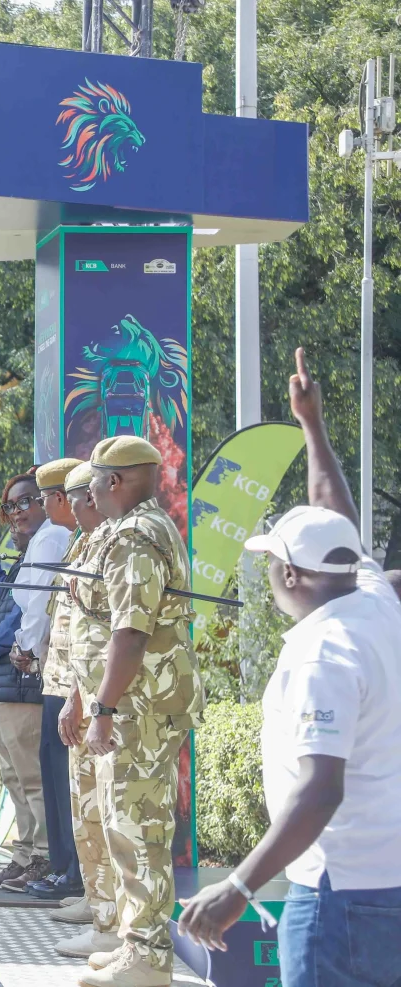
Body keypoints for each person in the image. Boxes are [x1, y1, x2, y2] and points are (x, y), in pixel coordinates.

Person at [178, 349, 401, 986]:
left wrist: (239, 888)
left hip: (337, 895)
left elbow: (319, 789)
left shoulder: (322, 650)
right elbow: (338, 519)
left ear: (291, 575)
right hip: (385, 882)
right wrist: (311, 425)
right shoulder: (372, 597)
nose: (268, 571)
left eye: (272, 560)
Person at [62, 435, 203, 987]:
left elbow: (130, 631)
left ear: (113, 482)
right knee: (125, 825)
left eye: (94, 479)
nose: (90, 489)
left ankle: (147, 957)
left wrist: (103, 708)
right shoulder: (131, 530)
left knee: (138, 827)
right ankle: (133, 943)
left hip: (138, 708)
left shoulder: (135, 537)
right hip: (132, 704)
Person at [0, 475, 51, 891]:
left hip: (23, 682)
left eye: (23, 504)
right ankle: (24, 856)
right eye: (9, 508)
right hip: (5, 681)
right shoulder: (26, 556)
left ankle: (44, 858)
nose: (15, 515)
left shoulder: (51, 545)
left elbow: (22, 620)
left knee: (31, 777)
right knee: (14, 778)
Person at [45, 464, 115, 930]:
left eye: (78, 495)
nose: (75, 505)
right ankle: (95, 899)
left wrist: (84, 698)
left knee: (109, 813)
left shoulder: (119, 541)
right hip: (77, 685)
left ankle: (111, 917)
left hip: (101, 696)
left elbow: (114, 631)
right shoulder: (85, 544)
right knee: (85, 807)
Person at [21, 457, 83, 903]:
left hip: (74, 683)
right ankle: (66, 869)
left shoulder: (67, 539)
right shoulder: (75, 542)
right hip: (56, 675)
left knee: (68, 780)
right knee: (55, 774)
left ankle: (75, 873)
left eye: (44, 498)